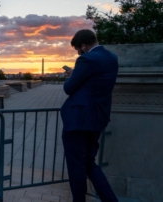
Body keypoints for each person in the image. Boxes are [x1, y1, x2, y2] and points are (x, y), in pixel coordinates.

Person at [60, 29, 119, 202]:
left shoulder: (86, 59)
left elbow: (68, 88)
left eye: (78, 49)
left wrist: (71, 77)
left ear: (84, 46)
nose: (78, 53)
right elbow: (94, 83)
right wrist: (76, 74)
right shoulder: (112, 58)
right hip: (98, 118)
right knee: (88, 163)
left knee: (76, 166)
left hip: (78, 119)